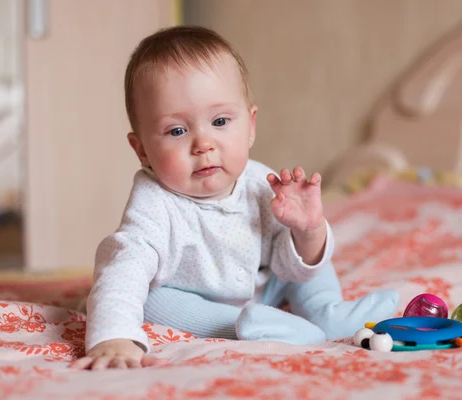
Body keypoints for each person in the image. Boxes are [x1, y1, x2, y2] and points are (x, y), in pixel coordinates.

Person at [71, 26, 398, 370]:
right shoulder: (154, 203)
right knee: (153, 298)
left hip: (266, 286)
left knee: (306, 242)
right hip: (194, 298)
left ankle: (325, 312)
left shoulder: (260, 183)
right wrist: (114, 336)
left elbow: (290, 266)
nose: (203, 144)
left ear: (250, 126)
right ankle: (248, 325)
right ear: (142, 150)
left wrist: (308, 230)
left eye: (221, 120)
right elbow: (124, 268)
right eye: (177, 131)